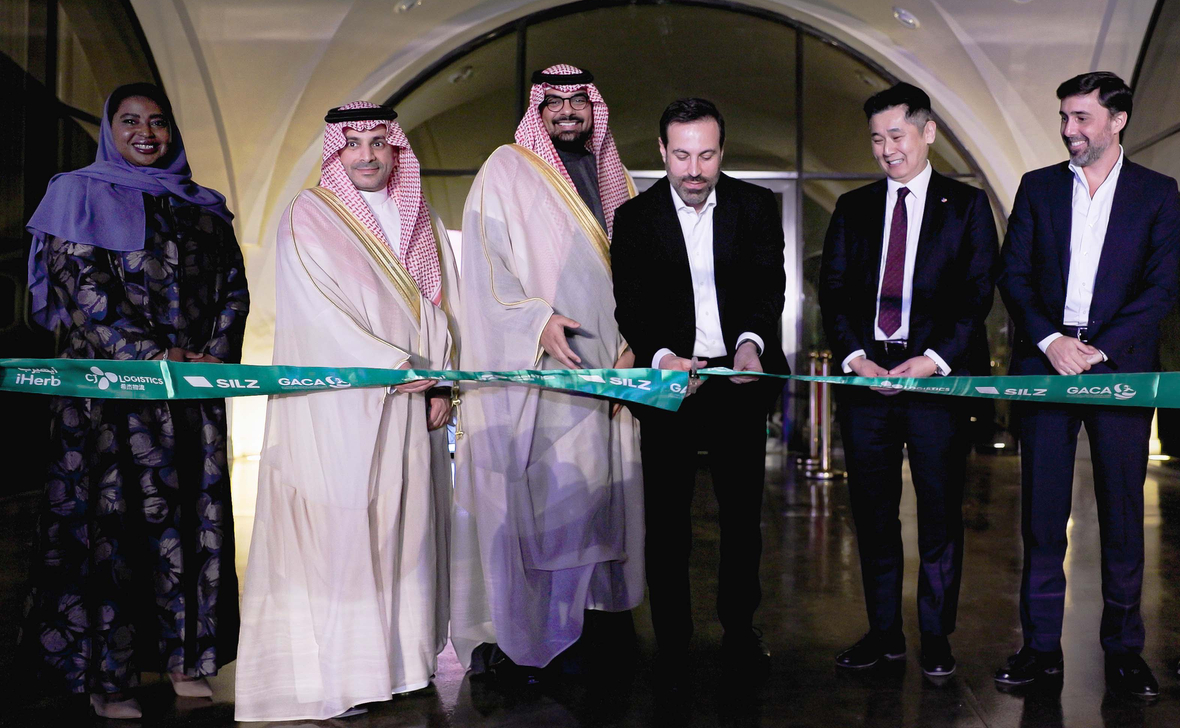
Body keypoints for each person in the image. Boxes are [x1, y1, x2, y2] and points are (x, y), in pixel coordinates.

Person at [21, 83, 248, 720]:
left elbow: (234, 286)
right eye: (130, 121)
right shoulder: (76, 194)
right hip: (108, 403)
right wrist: (154, 358)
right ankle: (107, 676)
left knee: (189, 527)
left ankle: (184, 660)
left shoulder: (202, 206)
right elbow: (81, 293)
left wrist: (209, 354)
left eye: (158, 122)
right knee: (108, 532)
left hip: (190, 398)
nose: (146, 132)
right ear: (108, 128)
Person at [233, 102, 457, 721]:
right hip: (337, 408)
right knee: (342, 533)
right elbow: (317, 310)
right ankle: (338, 679)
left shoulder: (422, 221)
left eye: (378, 142)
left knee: (405, 532)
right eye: (353, 143)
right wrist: (394, 365)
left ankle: (401, 666)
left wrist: (440, 383)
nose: (366, 155)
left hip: (412, 406)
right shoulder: (310, 215)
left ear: (395, 148)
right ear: (336, 151)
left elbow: (442, 307)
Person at [451, 64, 643, 684]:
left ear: (595, 108)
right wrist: (535, 321)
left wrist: (636, 343)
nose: (566, 111)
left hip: (609, 368)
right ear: (538, 109)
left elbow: (642, 273)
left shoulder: (618, 180)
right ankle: (535, 634)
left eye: (577, 101)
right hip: (543, 371)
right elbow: (484, 268)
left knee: (601, 499)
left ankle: (595, 626)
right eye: (553, 102)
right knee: (549, 503)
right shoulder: (505, 171)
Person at [994, 72, 1180, 700]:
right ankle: (1039, 649)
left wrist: (1098, 348)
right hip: (1047, 366)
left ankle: (1125, 653)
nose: (1069, 131)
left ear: (1117, 119)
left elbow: (1161, 289)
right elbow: (1013, 275)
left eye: (1081, 118)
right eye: (1065, 119)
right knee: (1043, 519)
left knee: (1125, 518)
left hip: (1119, 370)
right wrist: (1051, 341)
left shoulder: (1158, 192)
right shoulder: (1037, 188)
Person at [819, 82, 997, 678]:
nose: (886, 149)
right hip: (867, 383)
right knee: (872, 513)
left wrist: (933, 359)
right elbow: (835, 292)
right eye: (876, 138)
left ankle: (936, 634)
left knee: (941, 512)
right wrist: (854, 359)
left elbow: (976, 295)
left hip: (936, 385)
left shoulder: (967, 207)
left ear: (928, 132)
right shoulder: (853, 208)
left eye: (896, 134)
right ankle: (883, 632)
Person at [611, 98, 787, 688]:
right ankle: (673, 641)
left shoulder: (757, 206)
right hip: (669, 385)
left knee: (742, 520)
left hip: (738, 379)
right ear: (662, 152)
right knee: (666, 522)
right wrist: (662, 359)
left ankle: (740, 633)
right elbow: (632, 305)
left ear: (722, 151)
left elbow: (768, 287)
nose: (694, 169)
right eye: (681, 155)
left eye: (706, 155)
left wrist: (751, 344)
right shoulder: (635, 220)